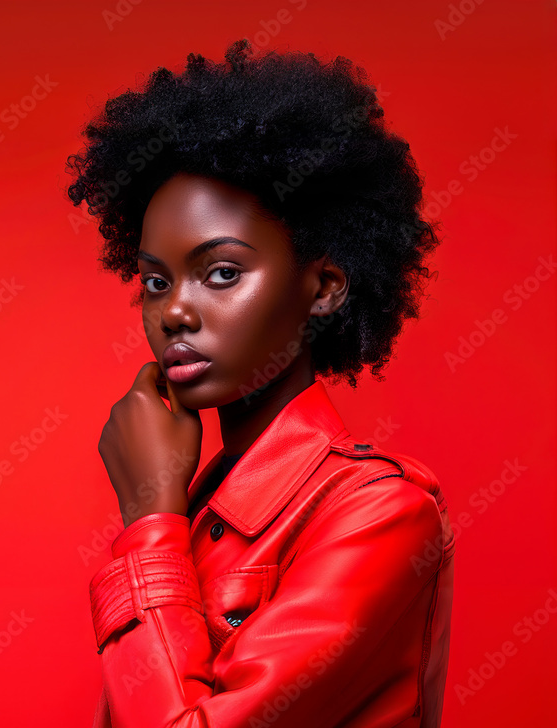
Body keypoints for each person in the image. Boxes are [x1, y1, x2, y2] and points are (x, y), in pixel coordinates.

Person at [64, 39, 454, 727]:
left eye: (221, 273)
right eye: (157, 281)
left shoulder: (379, 517)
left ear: (325, 287)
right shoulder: (200, 509)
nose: (174, 311)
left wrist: (150, 519)